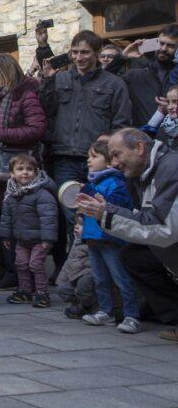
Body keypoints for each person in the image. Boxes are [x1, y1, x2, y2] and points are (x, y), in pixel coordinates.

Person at [77, 128, 178, 341]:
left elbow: (164, 229)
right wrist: (107, 212)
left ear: (139, 148)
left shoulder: (171, 169)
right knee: (134, 256)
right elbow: (146, 217)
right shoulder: (145, 172)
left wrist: (107, 214)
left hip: (171, 239)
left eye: (116, 154)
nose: (113, 162)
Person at [0, 55, 47, 289]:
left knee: (17, 224)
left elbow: (36, 129)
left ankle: (20, 274)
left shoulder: (25, 95)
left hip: (17, 168)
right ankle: (6, 269)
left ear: (7, 71)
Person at [41, 30, 132, 188]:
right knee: (69, 208)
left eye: (84, 52)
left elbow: (122, 122)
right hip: (64, 158)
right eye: (75, 52)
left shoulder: (114, 83)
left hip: (99, 158)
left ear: (97, 53)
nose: (79, 57)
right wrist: (47, 81)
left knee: (97, 207)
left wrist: (110, 143)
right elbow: (45, 111)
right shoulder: (59, 79)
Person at [76, 137, 141, 334]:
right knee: (100, 277)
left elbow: (119, 207)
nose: (89, 160)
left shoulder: (116, 182)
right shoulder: (93, 181)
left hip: (110, 238)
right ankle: (106, 311)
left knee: (120, 278)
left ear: (108, 160)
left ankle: (132, 315)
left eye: (94, 156)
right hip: (94, 236)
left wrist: (91, 194)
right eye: (88, 156)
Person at [0, 154, 57, 308]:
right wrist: (5, 235)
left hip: (39, 239)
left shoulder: (41, 193)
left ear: (36, 172)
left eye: (29, 169)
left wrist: (47, 239)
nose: (25, 172)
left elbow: (49, 218)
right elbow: (6, 217)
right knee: (21, 264)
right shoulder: (11, 194)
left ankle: (42, 293)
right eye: (20, 169)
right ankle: (25, 290)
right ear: (12, 173)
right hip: (21, 239)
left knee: (36, 265)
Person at [122, 25, 178, 126]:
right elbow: (103, 82)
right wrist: (122, 57)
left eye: (170, 45)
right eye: (161, 43)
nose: (163, 48)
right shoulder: (135, 76)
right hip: (143, 139)